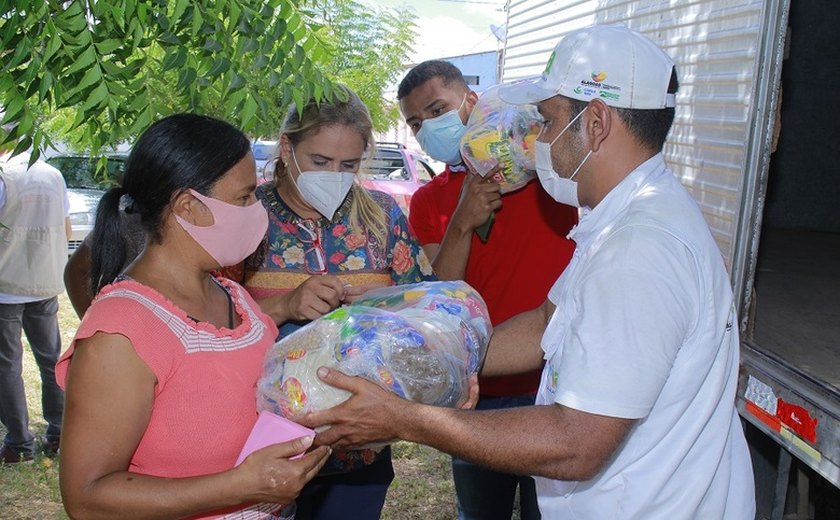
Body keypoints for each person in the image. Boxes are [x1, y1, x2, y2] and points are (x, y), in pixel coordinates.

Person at [302, 25, 756, 519]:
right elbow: (545, 322)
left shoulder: (639, 248)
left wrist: (406, 419)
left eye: (548, 120)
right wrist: (427, 359)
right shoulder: (617, 220)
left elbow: (576, 443)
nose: (537, 139)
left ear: (596, 122)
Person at [55, 113, 331, 519]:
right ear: (188, 206)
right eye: (244, 198)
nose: (257, 210)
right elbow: (86, 498)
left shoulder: (233, 297)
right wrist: (239, 486)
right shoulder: (122, 332)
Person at [236, 86, 434, 520]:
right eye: (320, 161)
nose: (334, 175)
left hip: (358, 449)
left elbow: (427, 312)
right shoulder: (247, 215)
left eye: (348, 165)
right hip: (259, 449)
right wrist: (284, 306)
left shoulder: (382, 216)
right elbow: (203, 323)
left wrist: (383, 306)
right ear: (286, 148)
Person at [397, 60, 577, 518]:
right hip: (480, 388)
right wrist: (462, 219)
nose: (427, 127)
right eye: (416, 123)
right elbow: (439, 297)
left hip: (554, 384)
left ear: (471, 102)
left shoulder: (541, 173)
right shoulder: (428, 201)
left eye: (437, 110)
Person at [0, 147, 70, 463]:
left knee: (7, 366)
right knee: (51, 359)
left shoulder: (4, 176)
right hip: (44, 281)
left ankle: (19, 443)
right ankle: (59, 434)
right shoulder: (53, 175)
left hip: (6, 284)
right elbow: (65, 227)